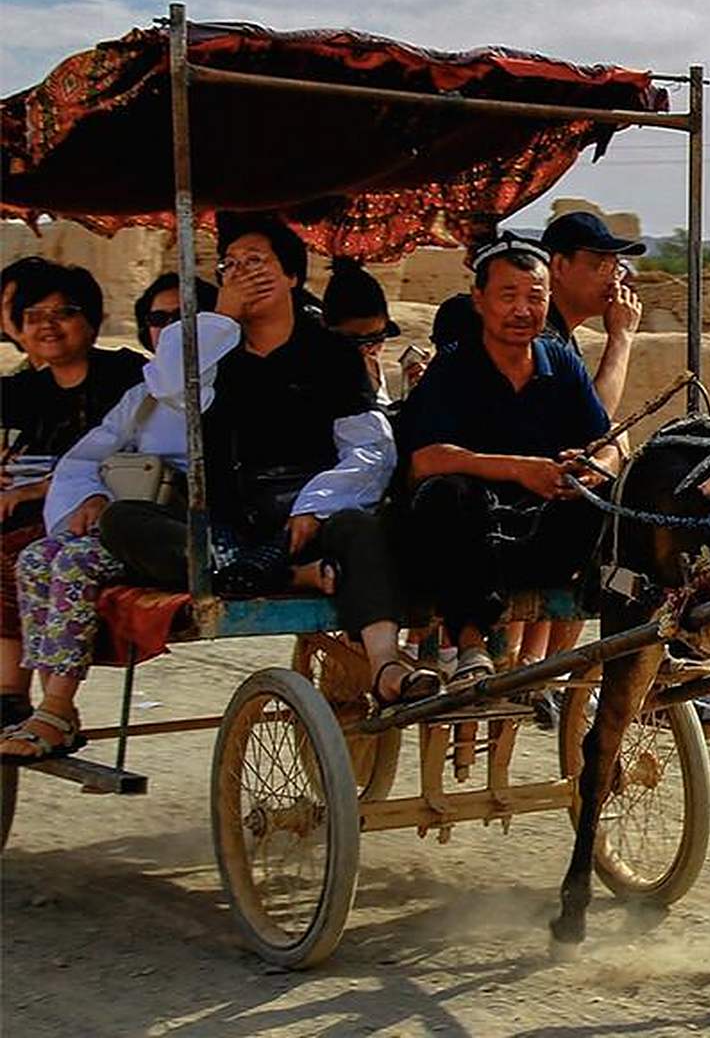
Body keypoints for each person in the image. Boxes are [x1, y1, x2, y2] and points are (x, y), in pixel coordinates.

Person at [95, 216, 420, 703]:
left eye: (257, 262)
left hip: (308, 518)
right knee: (122, 520)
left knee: (362, 529)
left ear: (291, 275)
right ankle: (284, 575)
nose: (244, 273)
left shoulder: (331, 355)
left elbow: (370, 448)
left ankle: (386, 664)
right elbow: (169, 386)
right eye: (232, 265)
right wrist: (222, 317)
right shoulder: (211, 353)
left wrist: (314, 508)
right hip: (231, 531)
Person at [0, 280, 239, 762]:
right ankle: (54, 706)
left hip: (195, 535)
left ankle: (55, 707)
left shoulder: (236, 385)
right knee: (36, 559)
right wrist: (90, 498)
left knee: (73, 565)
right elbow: (84, 460)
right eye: (158, 320)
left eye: (181, 319)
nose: (168, 330)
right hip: (129, 524)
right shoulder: (143, 396)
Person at [394, 236, 618, 684]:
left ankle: (630, 634)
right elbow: (425, 461)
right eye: (508, 296)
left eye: (535, 298)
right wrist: (520, 469)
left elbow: (607, 443)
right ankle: (470, 646)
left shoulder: (562, 364)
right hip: (462, 544)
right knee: (450, 494)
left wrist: (595, 469)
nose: (522, 310)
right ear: (479, 300)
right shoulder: (453, 369)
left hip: (533, 540)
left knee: (618, 494)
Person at [0, 264, 146, 735]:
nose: (48, 325)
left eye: (63, 313)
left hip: (104, 514)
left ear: (92, 321)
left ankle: (19, 696)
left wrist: (37, 489)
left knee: (19, 554)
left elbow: (130, 458)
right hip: (33, 514)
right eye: (33, 315)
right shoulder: (20, 390)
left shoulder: (126, 378)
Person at [432, 211, 644, 415]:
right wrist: (621, 338)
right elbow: (590, 424)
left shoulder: (563, 340)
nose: (614, 282)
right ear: (559, 266)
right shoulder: (522, 331)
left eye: (617, 269)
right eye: (603, 267)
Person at [321, 258, 401, 402]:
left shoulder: (371, 364)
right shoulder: (315, 375)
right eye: (353, 341)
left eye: (375, 338)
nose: (364, 349)